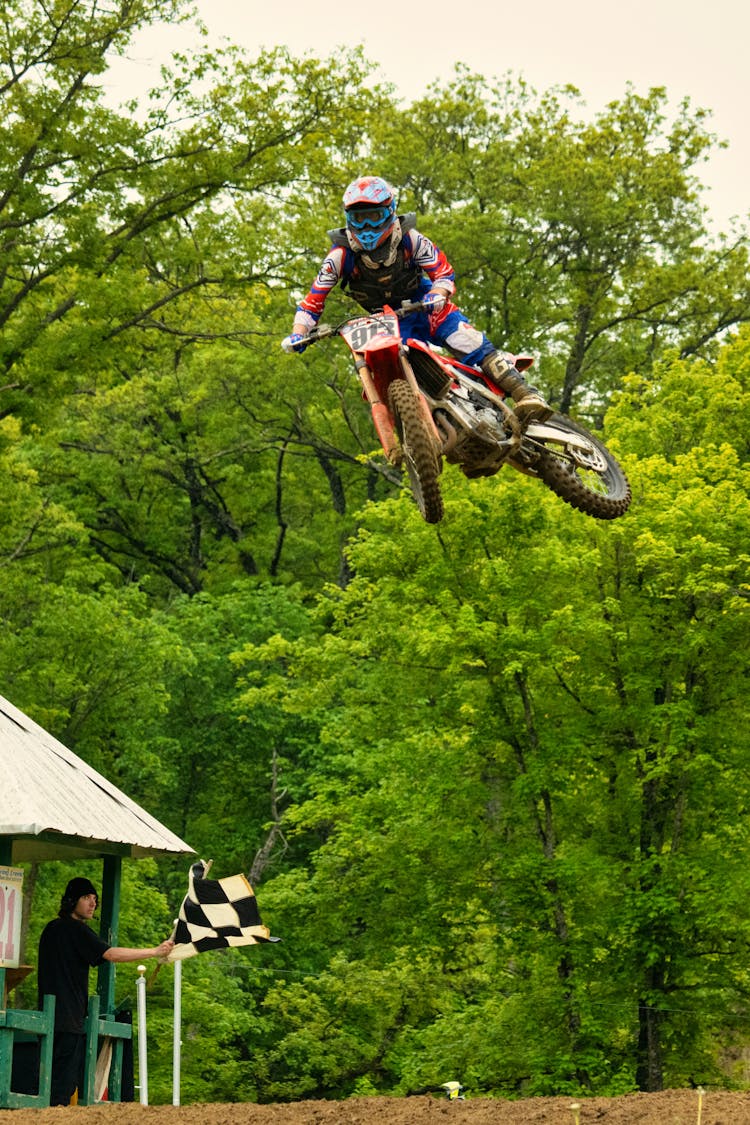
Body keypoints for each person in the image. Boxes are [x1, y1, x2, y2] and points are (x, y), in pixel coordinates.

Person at [282, 175, 552, 423]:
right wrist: (299, 333)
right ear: (348, 218)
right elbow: (312, 302)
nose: (366, 227)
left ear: (390, 213)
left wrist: (438, 294)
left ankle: (526, 394)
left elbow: (443, 273)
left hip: (425, 304)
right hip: (385, 320)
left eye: (373, 217)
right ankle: (432, 421)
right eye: (359, 218)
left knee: (466, 339)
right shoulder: (339, 257)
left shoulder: (411, 239)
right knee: (388, 367)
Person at [37, 876, 174, 1106]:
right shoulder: (76, 929)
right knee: (61, 1091)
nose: (92, 903)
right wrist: (154, 951)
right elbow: (111, 954)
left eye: (94, 899)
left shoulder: (51, 928)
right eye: (86, 898)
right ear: (71, 901)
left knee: (45, 1084)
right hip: (69, 1019)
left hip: (47, 1018)